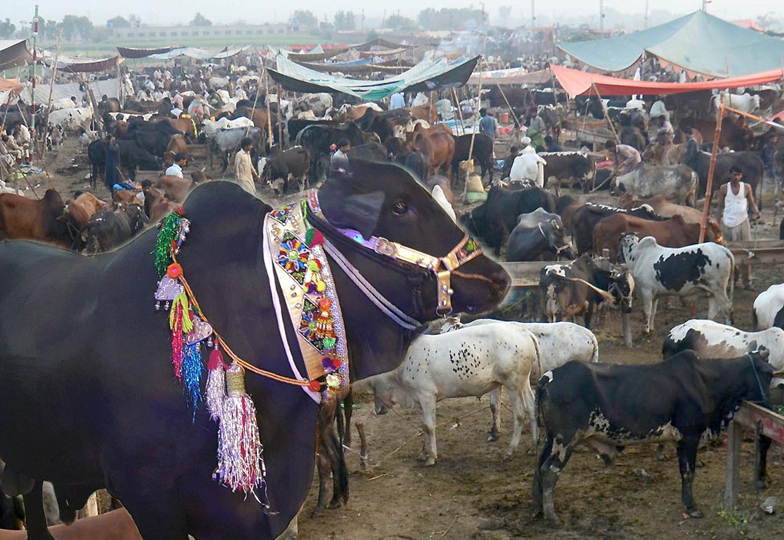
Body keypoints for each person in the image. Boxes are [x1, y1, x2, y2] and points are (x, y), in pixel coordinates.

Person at [717, 165, 761, 290]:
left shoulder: (746, 187)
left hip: (742, 221)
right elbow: (720, 206)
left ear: (741, 176)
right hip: (727, 222)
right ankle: (732, 280)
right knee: (729, 253)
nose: (736, 177)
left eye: (738, 175)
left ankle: (747, 282)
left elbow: (752, 203)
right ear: (730, 175)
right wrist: (717, 222)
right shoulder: (724, 188)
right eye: (734, 174)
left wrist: (757, 213)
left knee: (746, 251)